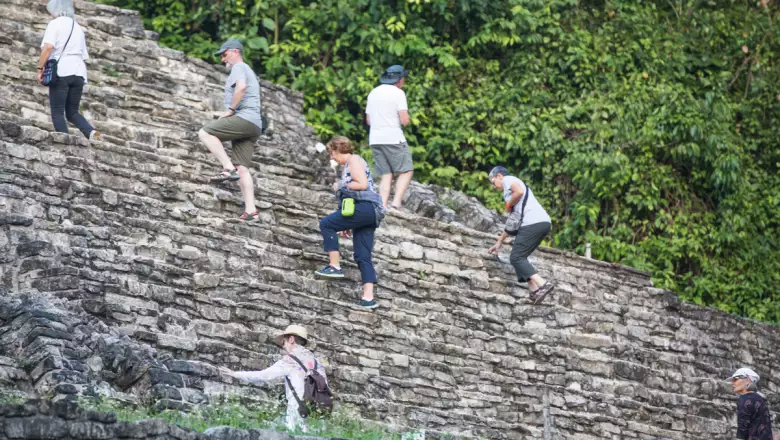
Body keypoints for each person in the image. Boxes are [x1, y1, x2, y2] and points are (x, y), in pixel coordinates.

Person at [315, 136, 385, 310]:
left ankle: (334, 266)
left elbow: (361, 184)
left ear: (339, 149)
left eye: (332, 153)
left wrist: (341, 185)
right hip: (369, 212)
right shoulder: (350, 164)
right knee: (362, 255)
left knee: (326, 224)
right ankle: (368, 298)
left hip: (366, 207)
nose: (332, 157)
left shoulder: (353, 160)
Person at [199, 39, 263, 222]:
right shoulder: (248, 69)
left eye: (224, 54)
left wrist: (230, 110)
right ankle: (251, 211)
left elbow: (241, 88)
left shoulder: (239, 67)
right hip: (255, 125)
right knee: (242, 168)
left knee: (205, 132)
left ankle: (228, 168)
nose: (222, 59)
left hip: (245, 118)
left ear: (235, 52)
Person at [220, 325, 326, 432]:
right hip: (317, 415)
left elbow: (263, 376)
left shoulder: (289, 361)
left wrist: (236, 374)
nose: (284, 347)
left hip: (297, 412)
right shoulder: (317, 362)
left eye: (284, 343)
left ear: (291, 339)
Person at [487, 166, 555, 304]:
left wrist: (508, 205)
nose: (494, 186)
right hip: (542, 223)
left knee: (516, 257)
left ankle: (543, 284)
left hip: (533, 222)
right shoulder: (509, 192)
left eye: (493, 182)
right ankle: (534, 291)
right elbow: (513, 223)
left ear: (499, 176)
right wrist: (499, 241)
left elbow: (519, 191)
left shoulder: (508, 179)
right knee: (520, 256)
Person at [36, 0, 101, 141]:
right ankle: (91, 132)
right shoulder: (78, 27)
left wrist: (40, 68)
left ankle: (66, 143)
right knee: (72, 112)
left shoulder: (55, 24)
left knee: (57, 111)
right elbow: (84, 54)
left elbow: (48, 47)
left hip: (62, 71)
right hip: (79, 73)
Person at [365, 65, 412, 210]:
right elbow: (404, 120)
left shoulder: (373, 92)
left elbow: (369, 120)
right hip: (393, 138)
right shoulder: (398, 93)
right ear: (399, 80)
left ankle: (382, 205)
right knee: (406, 170)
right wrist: (407, 120)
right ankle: (396, 203)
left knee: (386, 174)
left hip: (375, 139)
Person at [728, 367, 773, 440]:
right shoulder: (760, 399)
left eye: (735, 379)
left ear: (747, 380)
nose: (732, 383)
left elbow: (742, 430)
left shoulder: (744, 399)